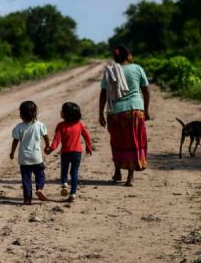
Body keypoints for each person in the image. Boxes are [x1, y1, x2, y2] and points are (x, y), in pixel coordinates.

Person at [98, 44, 151, 187]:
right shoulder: (137, 68)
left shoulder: (110, 71)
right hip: (135, 110)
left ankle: (117, 172)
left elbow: (103, 94)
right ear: (128, 55)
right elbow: (146, 91)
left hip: (115, 112)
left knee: (117, 141)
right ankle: (130, 178)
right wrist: (145, 110)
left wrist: (100, 114)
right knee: (133, 142)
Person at [45, 102, 93, 202]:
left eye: (62, 111)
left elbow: (56, 141)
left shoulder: (61, 126)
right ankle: (73, 193)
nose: (60, 112)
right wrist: (89, 148)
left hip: (65, 152)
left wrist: (50, 150)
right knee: (74, 172)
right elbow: (87, 136)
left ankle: (65, 184)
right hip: (77, 153)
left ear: (66, 114)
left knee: (64, 171)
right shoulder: (79, 124)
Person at [9, 101, 50, 205]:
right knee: (40, 175)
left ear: (21, 114)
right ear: (35, 113)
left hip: (24, 158)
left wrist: (12, 152)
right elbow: (46, 136)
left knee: (26, 179)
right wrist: (47, 146)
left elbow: (15, 141)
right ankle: (39, 188)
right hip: (36, 157)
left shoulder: (18, 127)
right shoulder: (40, 125)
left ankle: (27, 199)